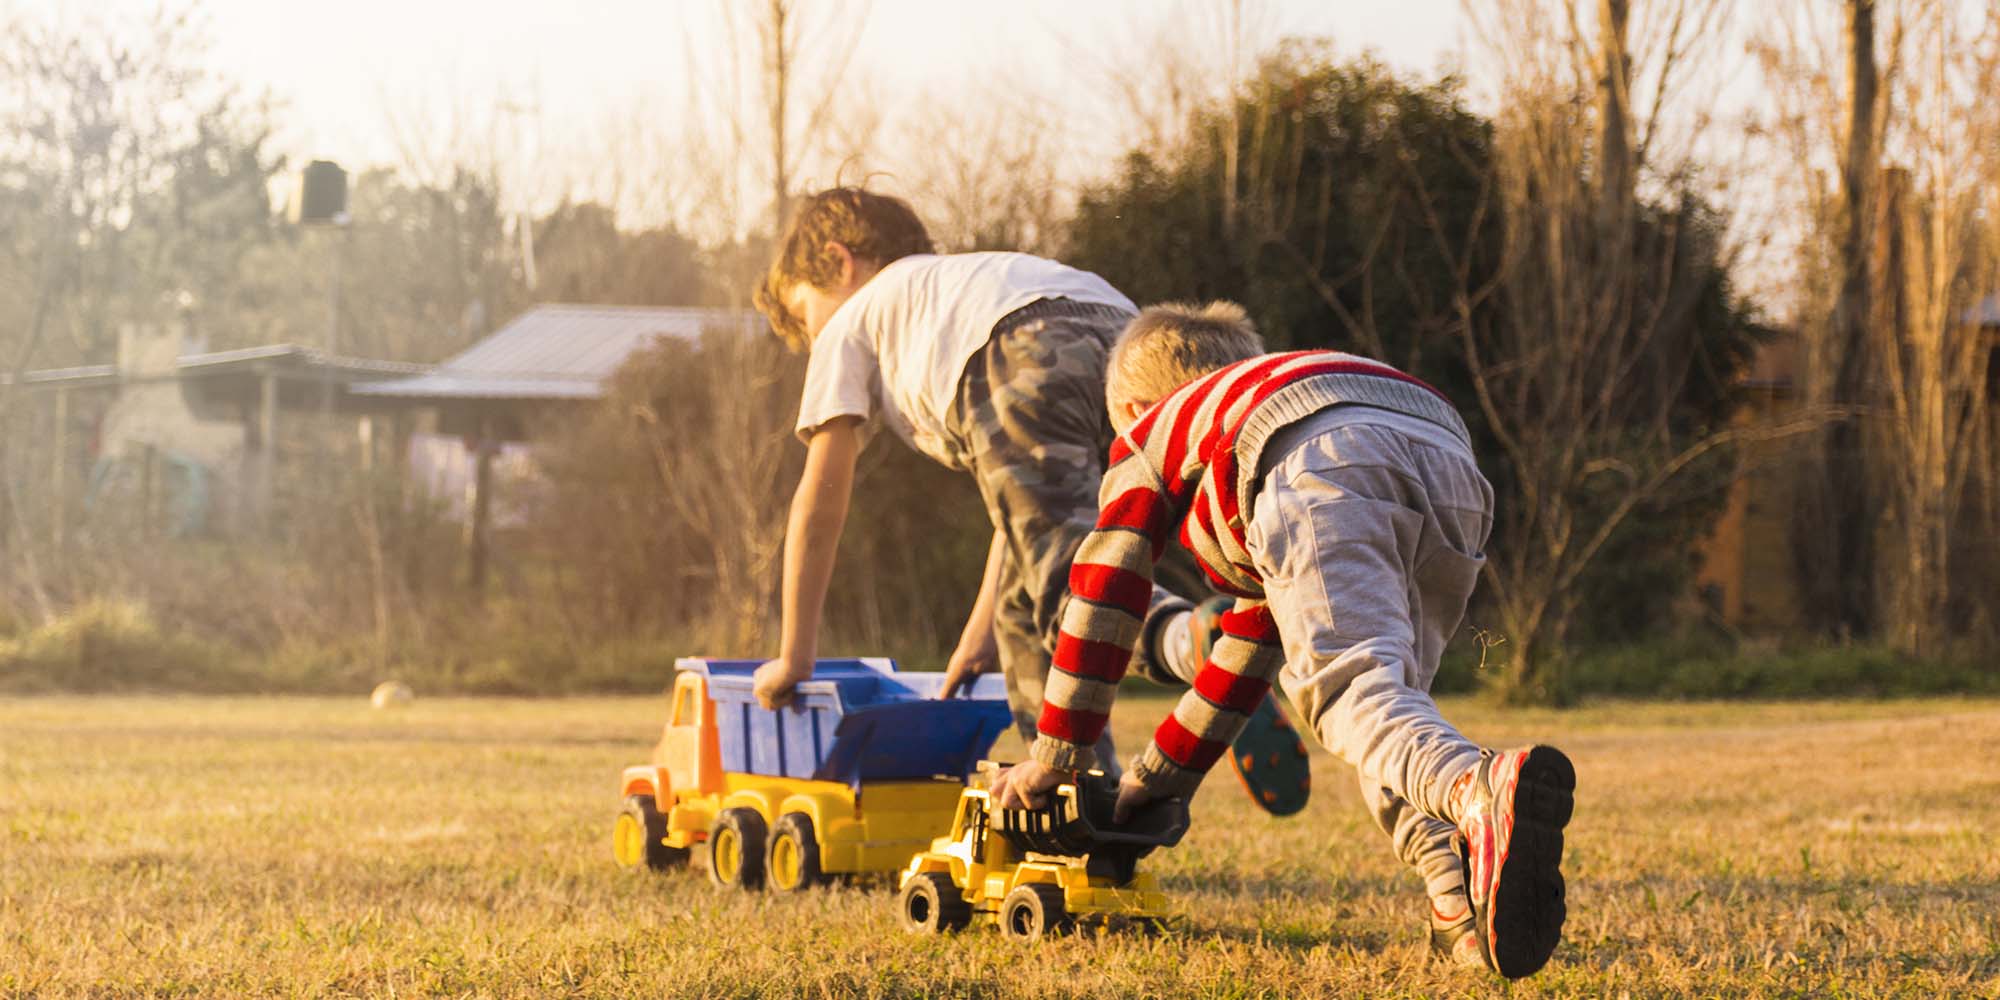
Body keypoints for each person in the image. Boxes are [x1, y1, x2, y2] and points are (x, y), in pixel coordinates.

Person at [991, 301, 1576, 979]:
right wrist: (1149, 790)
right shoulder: (1252, 406)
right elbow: (1240, 660)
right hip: (1450, 456)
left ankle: (1476, 785)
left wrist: (1059, 755)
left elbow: (1103, 585)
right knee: (1387, 708)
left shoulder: (1155, 428)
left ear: (1129, 406)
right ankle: (1460, 913)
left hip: (1327, 462)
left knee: (1350, 693)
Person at [746, 188, 1309, 815]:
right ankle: (1082, 802)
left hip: (1022, 347)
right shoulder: (960, 285)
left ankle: (1191, 644)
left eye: (809, 318)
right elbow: (1027, 514)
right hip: (1127, 337)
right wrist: (978, 634)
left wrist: (795, 656)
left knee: (1081, 596)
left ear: (839, 261)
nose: (817, 338)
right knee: (1033, 605)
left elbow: (821, 497)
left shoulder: (856, 317)